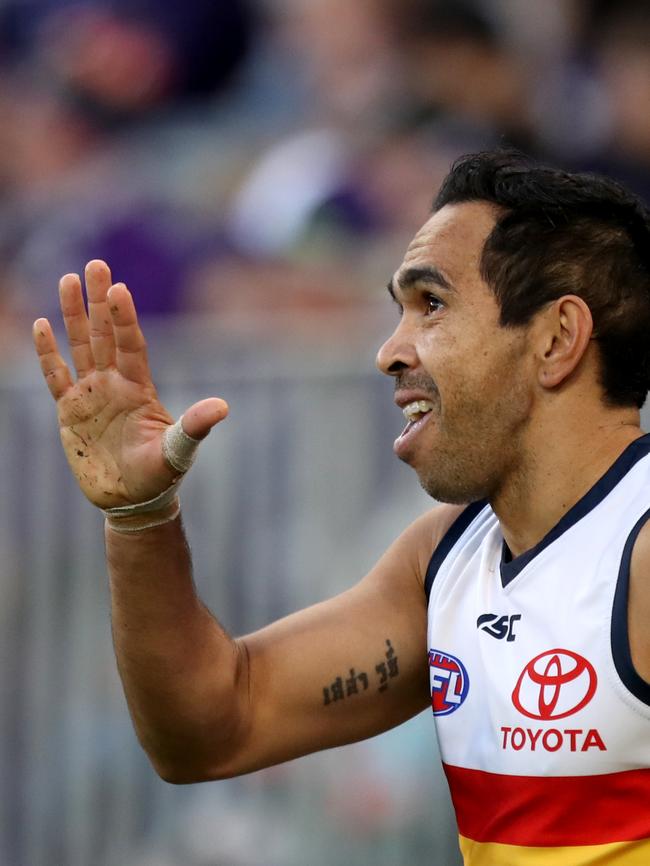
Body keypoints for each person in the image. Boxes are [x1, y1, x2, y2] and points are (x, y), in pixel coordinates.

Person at [33, 150, 650, 864]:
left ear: (555, 338)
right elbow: (212, 730)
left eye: (432, 304)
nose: (389, 350)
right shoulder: (445, 558)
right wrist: (140, 519)